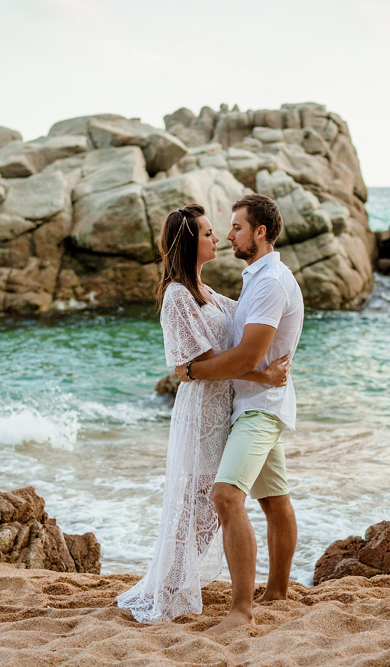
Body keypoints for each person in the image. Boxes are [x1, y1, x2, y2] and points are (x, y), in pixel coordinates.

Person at [116, 204, 289, 625]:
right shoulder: (178, 295)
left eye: (222, 231)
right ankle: (172, 588)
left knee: (209, 505)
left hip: (226, 407)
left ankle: (184, 583)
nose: (219, 238)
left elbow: (242, 334)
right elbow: (211, 360)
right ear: (191, 241)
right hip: (203, 412)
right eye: (210, 233)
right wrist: (262, 378)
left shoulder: (207, 292)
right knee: (197, 503)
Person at [175, 193, 304, 635]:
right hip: (253, 403)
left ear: (260, 232)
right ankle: (280, 591)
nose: (229, 235)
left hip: (258, 410)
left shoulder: (269, 282)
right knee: (274, 499)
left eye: (236, 227)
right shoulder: (258, 278)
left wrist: (190, 371)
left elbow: (247, 354)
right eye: (224, 228)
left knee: (226, 496)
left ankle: (241, 612)